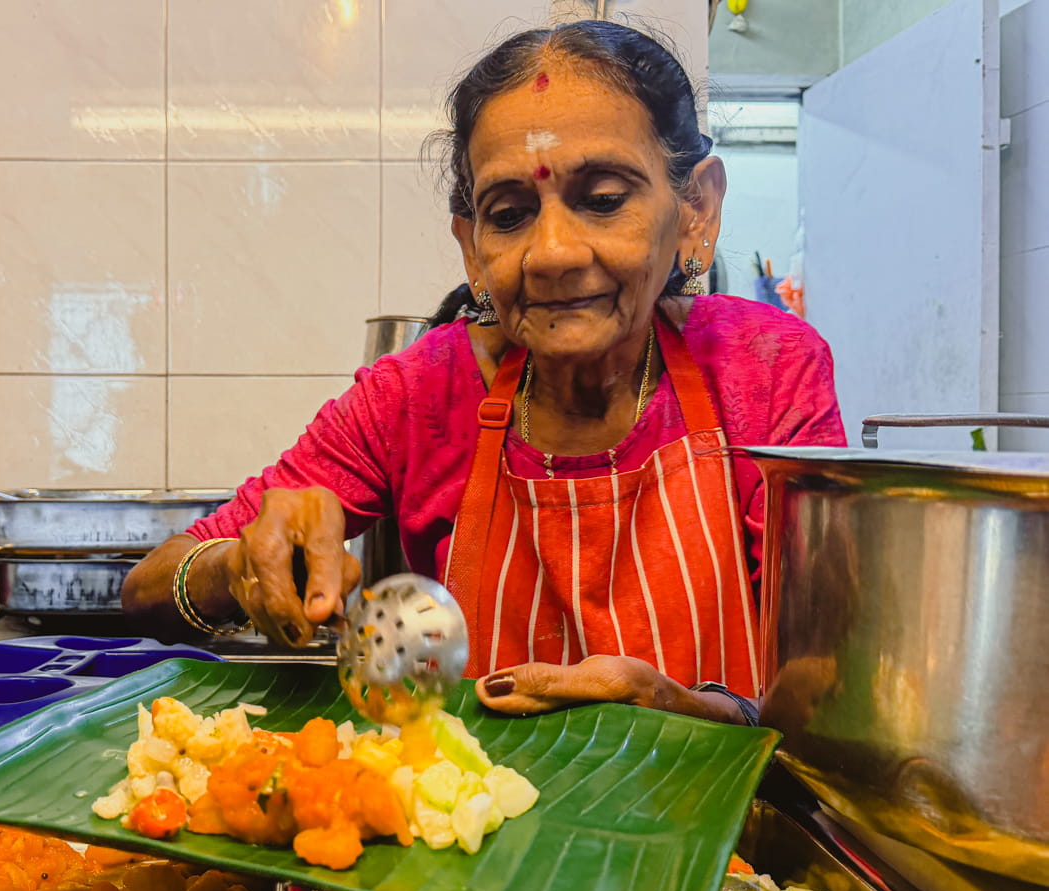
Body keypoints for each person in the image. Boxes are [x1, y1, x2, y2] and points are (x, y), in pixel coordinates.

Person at [122, 20, 845, 723]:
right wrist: (234, 568)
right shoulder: (417, 396)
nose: (554, 252)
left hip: (719, 833)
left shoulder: (766, 371)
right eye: (509, 214)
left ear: (695, 208)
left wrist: (678, 712)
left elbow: (831, 683)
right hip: (481, 834)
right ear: (470, 248)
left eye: (602, 200)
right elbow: (150, 587)